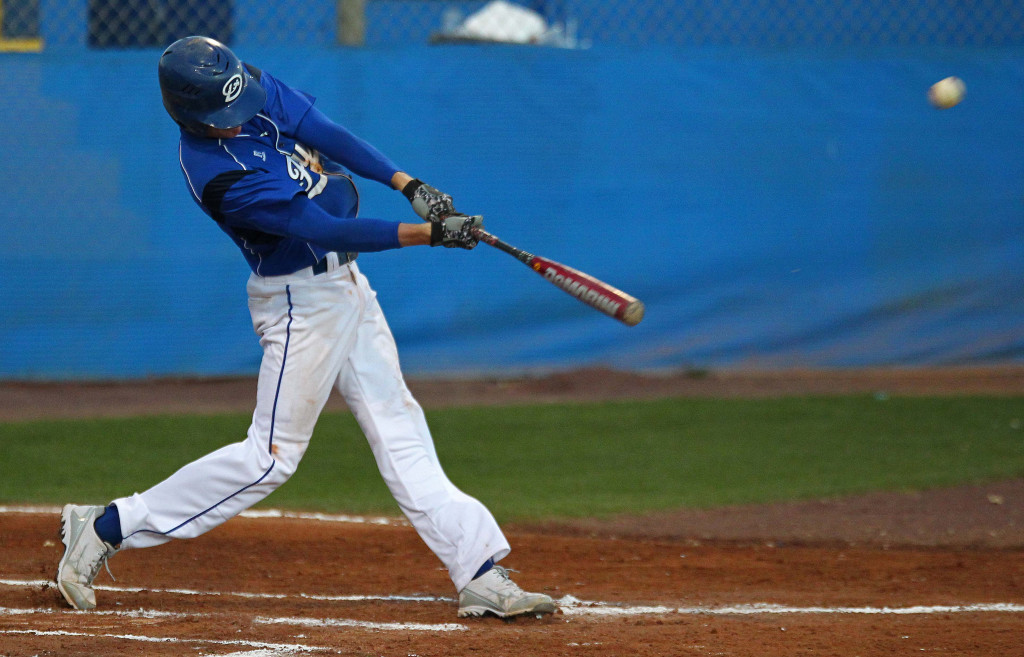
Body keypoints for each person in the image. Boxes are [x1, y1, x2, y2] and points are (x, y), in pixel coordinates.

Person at [56, 35, 556, 620]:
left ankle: (477, 571)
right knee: (269, 459)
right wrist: (430, 234)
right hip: (300, 306)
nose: (240, 117)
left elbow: (319, 128)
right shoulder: (221, 176)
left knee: (399, 425)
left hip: (347, 289)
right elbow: (327, 228)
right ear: (188, 113)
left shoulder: (240, 84)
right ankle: (107, 526)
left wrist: (407, 184)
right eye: (224, 114)